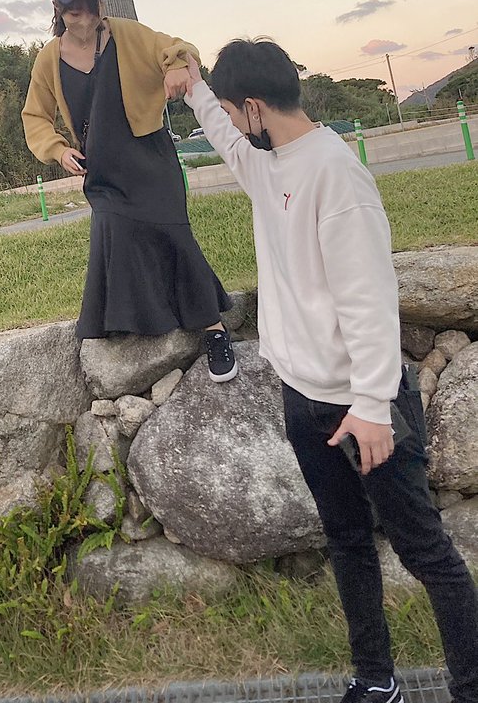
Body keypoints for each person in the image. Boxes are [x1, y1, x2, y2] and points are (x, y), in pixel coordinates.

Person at [181, 38, 478, 703]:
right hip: (303, 397)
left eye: (233, 112)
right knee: (346, 541)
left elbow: (368, 297)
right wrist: (195, 90)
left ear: (256, 107)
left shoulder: (335, 175)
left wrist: (372, 405)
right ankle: (375, 681)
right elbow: (228, 144)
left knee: (426, 554)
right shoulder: (269, 160)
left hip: (363, 405)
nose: (231, 125)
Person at [21, 0, 237, 382]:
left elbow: (176, 47)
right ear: (57, 9)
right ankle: (134, 324)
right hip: (100, 167)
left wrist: (176, 65)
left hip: (150, 157)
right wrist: (58, 150)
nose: (84, 19)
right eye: (73, 11)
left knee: (174, 235)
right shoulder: (48, 59)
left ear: (102, 2)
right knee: (115, 233)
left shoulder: (127, 33)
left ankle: (213, 330)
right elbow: (35, 117)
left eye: (91, 6)